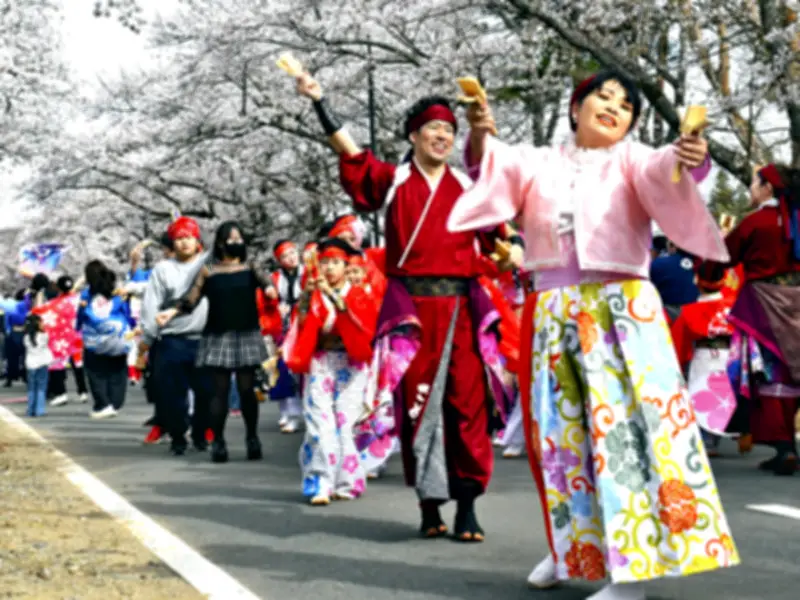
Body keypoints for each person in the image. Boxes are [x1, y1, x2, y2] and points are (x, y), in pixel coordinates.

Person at [448, 69, 738, 599]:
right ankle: (572, 547)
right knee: (562, 439)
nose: (613, 108)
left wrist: (688, 154)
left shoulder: (633, 160)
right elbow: (491, 167)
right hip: (553, 309)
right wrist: (480, 132)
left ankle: (632, 571)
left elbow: (666, 167)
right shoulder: (538, 161)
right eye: (602, 97)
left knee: (625, 436)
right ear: (574, 107)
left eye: (625, 105)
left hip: (621, 310)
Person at [294, 71, 518, 541]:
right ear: (413, 135)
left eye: (449, 130)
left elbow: (498, 235)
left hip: (460, 309)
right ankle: (429, 504)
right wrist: (319, 101)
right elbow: (352, 156)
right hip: (411, 314)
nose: (443, 136)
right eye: (434, 128)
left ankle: (468, 505)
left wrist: (507, 250)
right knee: (418, 406)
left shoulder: (467, 184)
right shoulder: (394, 180)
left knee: (467, 407)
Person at [698, 163, 800, 475]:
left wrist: (707, 275)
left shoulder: (756, 222)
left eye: (755, 183)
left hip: (764, 307)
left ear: (767, 187)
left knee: (769, 373)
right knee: (792, 372)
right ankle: (787, 447)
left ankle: (784, 447)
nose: (751, 190)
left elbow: (721, 256)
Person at [157, 221, 275, 463]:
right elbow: (191, 299)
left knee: (247, 390)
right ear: (220, 243)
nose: (235, 242)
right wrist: (171, 312)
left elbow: (268, 283)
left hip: (246, 333)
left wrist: (270, 290)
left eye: (239, 238)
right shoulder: (209, 270)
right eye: (231, 238)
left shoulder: (251, 266)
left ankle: (252, 437)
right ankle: (218, 440)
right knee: (219, 392)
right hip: (218, 335)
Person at [284, 237, 378, 503]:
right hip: (321, 361)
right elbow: (301, 324)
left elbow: (362, 326)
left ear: (346, 266)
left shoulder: (357, 293)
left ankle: (347, 482)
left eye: (335, 262)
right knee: (320, 423)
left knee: (345, 424)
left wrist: (332, 295)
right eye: (324, 262)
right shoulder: (314, 293)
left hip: (351, 363)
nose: (329, 268)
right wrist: (306, 296)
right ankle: (320, 482)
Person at [139, 216, 212, 456]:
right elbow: (151, 305)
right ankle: (178, 436)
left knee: (206, 392)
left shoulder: (209, 263)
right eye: (179, 238)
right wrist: (148, 338)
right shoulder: (163, 269)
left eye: (189, 237)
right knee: (173, 394)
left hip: (205, 338)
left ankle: (201, 433)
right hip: (172, 339)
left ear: (197, 240)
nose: (184, 242)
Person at [77, 260, 135, 419]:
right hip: (117, 338)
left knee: (96, 372)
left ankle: (102, 404)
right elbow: (126, 313)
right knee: (117, 370)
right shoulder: (118, 293)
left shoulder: (87, 295)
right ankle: (115, 402)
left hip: (95, 341)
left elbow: (81, 316)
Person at [269, 239, 304, 433]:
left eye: (292, 252)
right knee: (283, 369)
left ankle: (301, 411)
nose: (291, 258)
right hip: (283, 326)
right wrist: (276, 308)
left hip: (304, 322)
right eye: (285, 256)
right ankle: (289, 412)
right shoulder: (275, 278)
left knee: (302, 370)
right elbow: (266, 303)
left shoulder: (308, 272)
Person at [23, 314, 52, 417]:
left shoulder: (26, 337)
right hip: (42, 363)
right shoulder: (44, 336)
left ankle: (30, 410)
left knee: (31, 388)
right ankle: (40, 410)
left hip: (30, 364)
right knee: (41, 387)